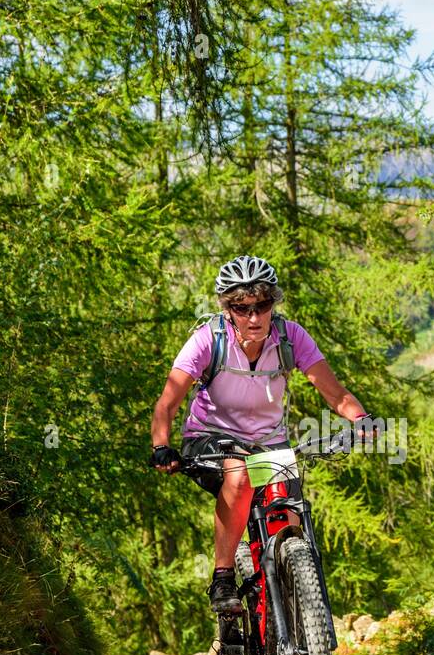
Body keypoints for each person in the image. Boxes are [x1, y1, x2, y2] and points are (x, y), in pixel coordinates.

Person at [150, 255, 372, 612]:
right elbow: (167, 403)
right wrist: (162, 446)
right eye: (242, 308)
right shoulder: (208, 340)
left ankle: (292, 609)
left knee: (290, 509)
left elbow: (336, 394)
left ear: (273, 303)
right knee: (239, 478)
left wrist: (361, 419)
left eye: (262, 305)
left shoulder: (290, 336)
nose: (254, 317)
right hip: (210, 437)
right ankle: (223, 579)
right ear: (227, 308)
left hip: (267, 442)